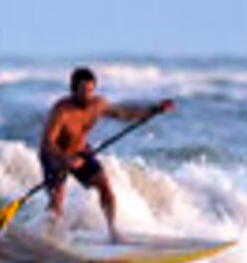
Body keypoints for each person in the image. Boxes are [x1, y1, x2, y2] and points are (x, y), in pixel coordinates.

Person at [39, 66, 172, 240]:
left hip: (80, 152)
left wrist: (154, 109)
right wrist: (65, 160)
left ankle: (113, 231)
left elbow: (124, 113)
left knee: (105, 186)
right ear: (73, 90)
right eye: (83, 91)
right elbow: (47, 143)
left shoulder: (97, 105)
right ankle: (49, 237)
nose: (88, 95)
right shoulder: (61, 112)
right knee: (57, 199)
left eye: (90, 90)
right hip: (55, 156)